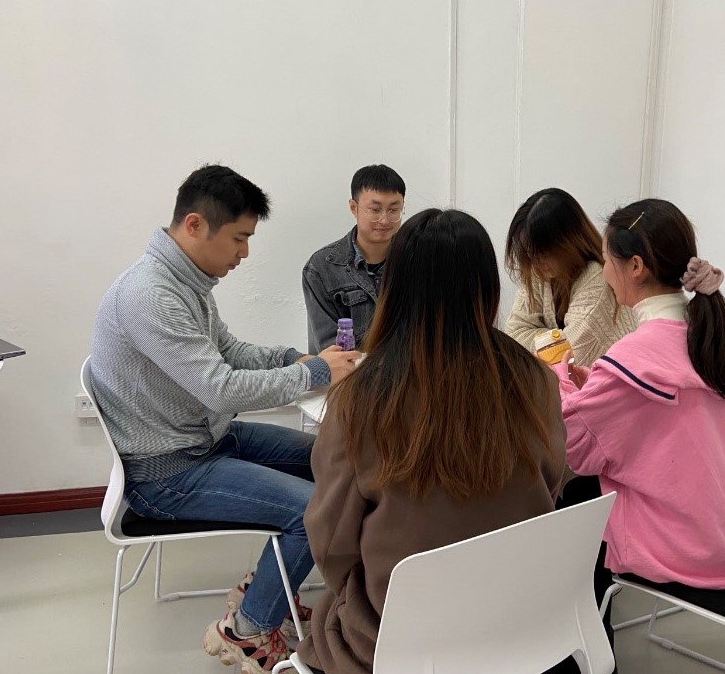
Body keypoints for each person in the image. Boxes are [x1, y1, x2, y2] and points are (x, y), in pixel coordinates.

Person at [89, 165, 360, 674]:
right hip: (168, 472)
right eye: (239, 238)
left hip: (205, 439)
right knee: (313, 511)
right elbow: (221, 387)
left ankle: (266, 590)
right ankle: (248, 629)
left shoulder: (185, 282)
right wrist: (316, 372)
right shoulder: (151, 295)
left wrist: (294, 359)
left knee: (332, 458)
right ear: (195, 225)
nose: (245, 253)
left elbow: (229, 352)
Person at [294, 209, 567, 674]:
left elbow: (332, 543)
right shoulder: (535, 380)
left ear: (395, 288)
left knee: (327, 623)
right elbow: (553, 481)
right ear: (488, 289)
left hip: (402, 635)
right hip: (521, 620)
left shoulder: (360, 398)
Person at [552, 198, 725, 592]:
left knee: (575, 498)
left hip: (682, 549)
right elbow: (661, 416)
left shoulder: (634, 357)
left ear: (636, 266)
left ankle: (589, 624)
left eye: (606, 261)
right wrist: (595, 386)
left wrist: (559, 381)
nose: (605, 274)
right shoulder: (712, 339)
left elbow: (572, 444)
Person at [505, 188, 637, 367]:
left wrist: (543, 340)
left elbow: (569, 357)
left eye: (544, 251)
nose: (535, 260)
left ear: (569, 241)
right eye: (529, 252)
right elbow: (513, 335)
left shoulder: (597, 278)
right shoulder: (538, 271)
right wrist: (555, 341)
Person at [301, 165, 406, 354]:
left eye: (393, 210)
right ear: (354, 208)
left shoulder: (415, 260)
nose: (384, 220)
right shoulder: (322, 268)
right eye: (375, 210)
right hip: (348, 371)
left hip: (407, 371)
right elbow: (329, 348)